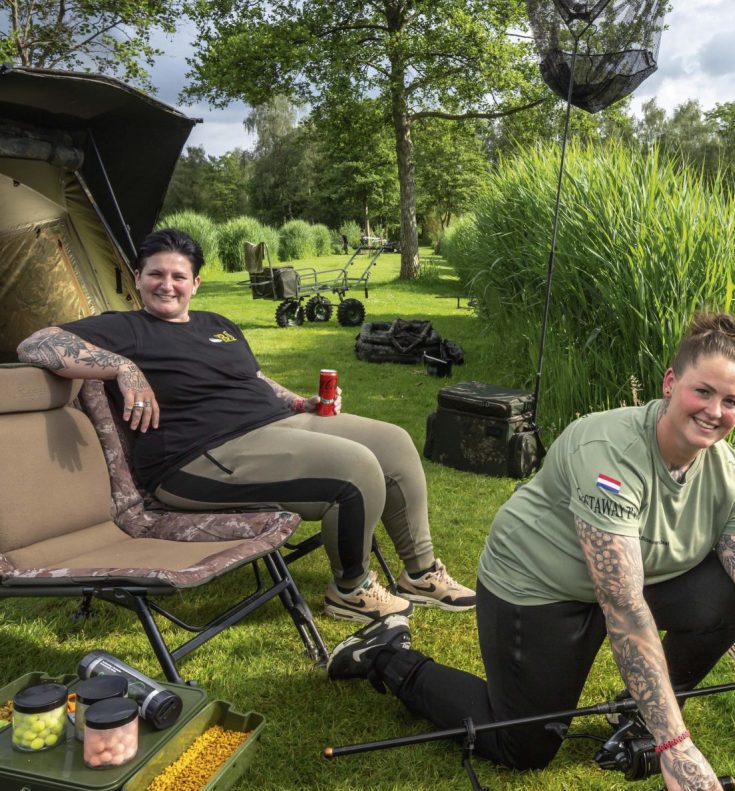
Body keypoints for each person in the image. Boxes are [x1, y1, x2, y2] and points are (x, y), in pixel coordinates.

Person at [328, 311, 735, 791]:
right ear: (671, 383)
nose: (714, 411)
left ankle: (639, 713)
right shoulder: (610, 454)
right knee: (523, 747)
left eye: (731, 402)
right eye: (703, 392)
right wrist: (675, 744)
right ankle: (386, 656)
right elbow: (625, 607)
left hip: (627, 578)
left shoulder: (729, 474)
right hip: (539, 584)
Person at [16, 227, 474, 624]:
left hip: (272, 423)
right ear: (137, 279)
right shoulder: (125, 328)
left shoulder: (218, 323)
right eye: (155, 273)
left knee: (393, 442)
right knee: (355, 470)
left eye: (178, 276)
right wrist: (121, 367)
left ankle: (421, 573)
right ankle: (351, 590)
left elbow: (251, 377)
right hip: (196, 458)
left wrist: (296, 400)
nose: (166, 285)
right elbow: (36, 344)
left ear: (196, 283)